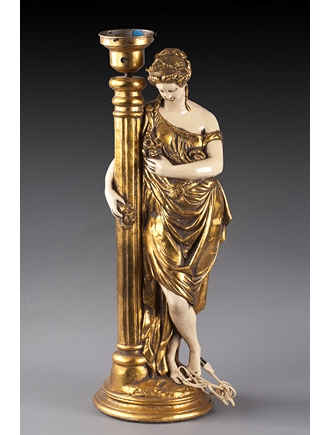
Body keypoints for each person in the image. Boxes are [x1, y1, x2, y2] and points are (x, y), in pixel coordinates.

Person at [104, 48, 231, 384]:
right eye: (160, 89)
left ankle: (175, 356)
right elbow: (124, 153)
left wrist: (171, 170)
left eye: (172, 89)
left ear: (184, 82)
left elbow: (216, 165)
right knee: (172, 295)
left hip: (201, 213)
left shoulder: (205, 119)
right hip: (160, 212)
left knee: (183, 294)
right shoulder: (147, 114)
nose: (166, 95)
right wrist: (107, 189)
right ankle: (193, 349)